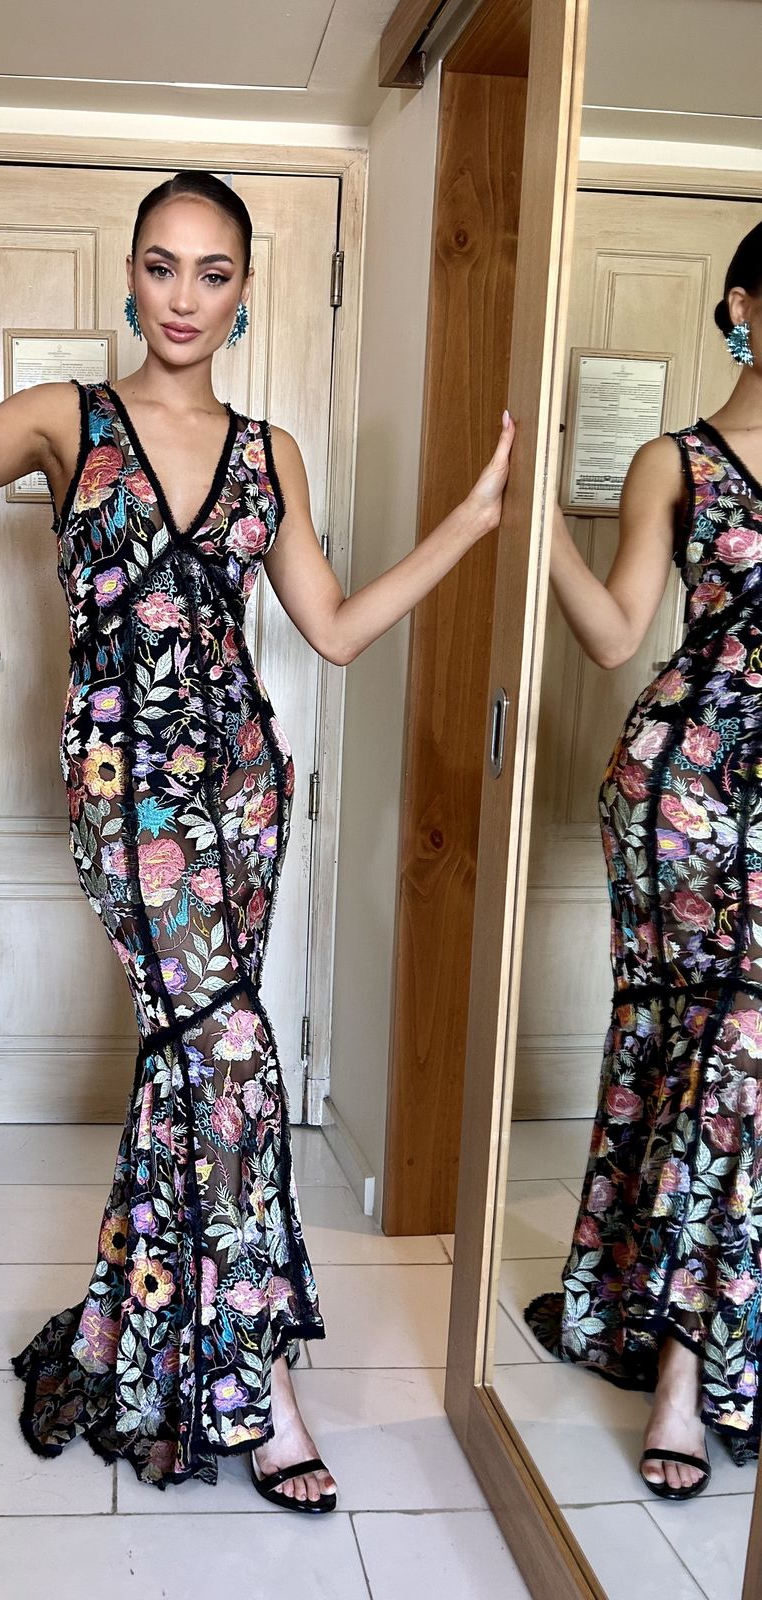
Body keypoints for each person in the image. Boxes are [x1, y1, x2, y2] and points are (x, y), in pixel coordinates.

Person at [0, 149, 514, 1510]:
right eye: (163, 266)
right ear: (131, 278)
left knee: (194, 1067)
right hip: (126, 800)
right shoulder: (68, 420)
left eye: (214, 273)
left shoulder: (270, 454)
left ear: (245, 294)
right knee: (233, 1055)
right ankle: (266, 1386)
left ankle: (152, 1336)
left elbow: (337, 629)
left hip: (245, 790)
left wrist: (469, 525)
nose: (185, 295)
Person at [526, 222, 762, 1502]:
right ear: (742, 307)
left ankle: (674, 1307)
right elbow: (619, 633)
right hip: (684, 790)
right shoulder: (677, 458)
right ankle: (677, 1369)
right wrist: (533, 522)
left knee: (739, 1061)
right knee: (706, 1048)